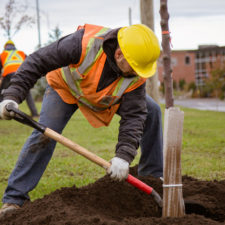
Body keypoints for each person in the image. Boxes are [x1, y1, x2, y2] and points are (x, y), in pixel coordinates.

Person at [0, 24, 163, 215]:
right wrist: (12, 95)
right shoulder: (83, 43)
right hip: (65, 90)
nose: (137, 73)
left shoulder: (136, 72)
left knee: (151, 110)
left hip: (104, 96)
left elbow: (134, 116)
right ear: (119, 54)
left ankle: (152, 178)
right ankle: (14, 199)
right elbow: (37, 61)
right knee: (44, 135)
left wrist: (123, 156)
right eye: (135, 68)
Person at [0, 40, 39, 117]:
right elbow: (30, 63)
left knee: (2, 93)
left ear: (5, 47)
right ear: (14, 46)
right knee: (27, 94)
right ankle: (34, 114)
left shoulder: (3, 54)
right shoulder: (21, 53)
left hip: (8, 74)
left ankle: (1, 113)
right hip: (22, 74)